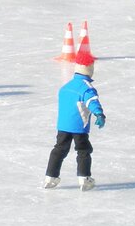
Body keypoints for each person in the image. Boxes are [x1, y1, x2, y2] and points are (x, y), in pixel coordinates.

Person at [43, 48, 104, 191]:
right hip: (78, 127)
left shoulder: (65, 87)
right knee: (83, 150)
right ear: (90, 69)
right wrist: (100, 114)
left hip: (63, 126)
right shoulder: (86, 88)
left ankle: (50, 177)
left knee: (59, 149)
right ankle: (84, 178)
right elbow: (92, 102)